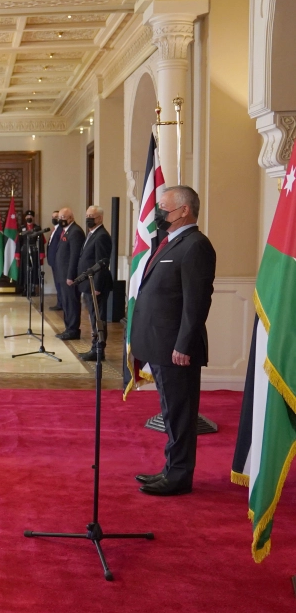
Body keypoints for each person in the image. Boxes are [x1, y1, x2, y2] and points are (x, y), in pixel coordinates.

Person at [131, 186, 215, 496]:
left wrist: (184, 344)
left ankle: (179, 476)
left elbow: (196, 303)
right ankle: (171, 469)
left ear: (184, 210)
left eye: (164, 208)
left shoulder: (196, 245)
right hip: (160, 343)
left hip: (176, 348)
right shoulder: (170, 242)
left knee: (180, 413)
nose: (159, 213)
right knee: (171, 410)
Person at [75, 205, 113, 361]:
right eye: (87, 216)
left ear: (100, 218)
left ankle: (98, 350)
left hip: (96, 286)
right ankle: (94, 347)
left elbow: (101, 263)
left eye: (92, 216)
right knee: (92, 317)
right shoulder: (92, 234)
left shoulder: (102, 235)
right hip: (88, 284)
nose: (88, 219)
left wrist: (96, 287)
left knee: (98, 318)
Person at [53, 208, 85, 340]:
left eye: (63, 217)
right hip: (62, 274)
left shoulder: (75, 232)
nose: (61, 220)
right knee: (66, 303)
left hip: (69, 276)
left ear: (71, 218)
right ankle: (68, 328)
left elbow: (74, 256)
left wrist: (70, 276)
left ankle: (73, 330)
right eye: (59, 217)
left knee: (71, 303)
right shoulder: (66, 231)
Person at [15, 209, 46, 297]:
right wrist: (17, 253)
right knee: (25, 269)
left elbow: (41, 241)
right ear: (25, 218)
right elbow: (18, 242)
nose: (29, 218)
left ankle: (32, 289)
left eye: (31, 216)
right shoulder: (21, 228)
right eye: (28, 216)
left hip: (34, 251)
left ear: (33, 218)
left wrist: (41, 253)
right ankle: (25, 288)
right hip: (24, 251)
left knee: (34, 269)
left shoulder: (37, 228)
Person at [47, 210, 63, 310]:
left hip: (58, 262)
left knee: (59, 283)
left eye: (56, 217)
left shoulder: (61, 230)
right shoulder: (54, 229)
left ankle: (61, 304)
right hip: (53, 261)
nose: (54, 219)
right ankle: (59, 302)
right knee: (57, 283)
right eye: (53, 217)